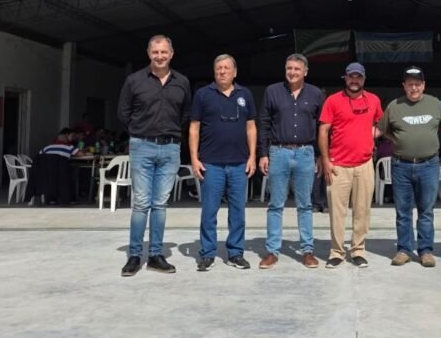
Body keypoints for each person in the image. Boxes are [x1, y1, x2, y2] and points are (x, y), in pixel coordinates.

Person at [118, 35, 191, 277]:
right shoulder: (134, 80)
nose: (160, 56)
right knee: (141, 204)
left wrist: (170, 134)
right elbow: (123, 113)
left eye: (164, 52)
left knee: (160, 204)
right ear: (149, 53)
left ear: (172, 53)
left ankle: (156, 255)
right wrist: (141, 133)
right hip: (142, 146)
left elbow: (185, 114)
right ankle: (135, 255)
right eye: (155, 52)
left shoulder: (182, 82)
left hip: (170, 148)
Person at [190, 54, 257, 272]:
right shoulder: (203, 95)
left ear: (234, 72)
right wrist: (194, 158)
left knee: (237, 211)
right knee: (209, 211)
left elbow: (251, 128)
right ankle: (207, 253)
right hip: (211, 163)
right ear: (214, 71)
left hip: (239, 163)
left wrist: (252, 156)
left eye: (227, 68)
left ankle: (236, 252)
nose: (222, 71)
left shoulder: (244, 94)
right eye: (219, 68)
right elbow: (194, 128)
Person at [257, 53, 324, 270]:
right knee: (275, 204)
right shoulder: (272, 91)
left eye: (297, 69)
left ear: (305, 71)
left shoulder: (315, 94)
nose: (292, 72)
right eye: (289, 68)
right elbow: (264, 123)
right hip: (278, 152)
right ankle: (272, 251)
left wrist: (322, 155)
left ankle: (307, 251)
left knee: (305, 205)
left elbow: (323, 127)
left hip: (305, 153)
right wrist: (263, 153)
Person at [378, 66, 441, 268]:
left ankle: (425, 251)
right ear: (404, 86)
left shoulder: (435, 104)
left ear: (423, 85)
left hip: (429, 165)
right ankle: (404, 250)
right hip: (401, 165)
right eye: (410, 84)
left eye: (417, 84)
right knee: (403, 211)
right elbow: (383, 130)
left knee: (426, 210)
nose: (414, 88)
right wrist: (398, 139)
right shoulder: (394, 106)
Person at [318, 62, 383, 268]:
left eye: (359, 77)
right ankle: (336, 252)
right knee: (337, 212)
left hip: (364, 165)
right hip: (338, 166)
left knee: (362, 210)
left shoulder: (373, 100)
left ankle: (358, 250)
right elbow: (323, 131)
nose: (355, 80)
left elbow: (380, 124)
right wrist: (326, 160)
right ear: (345, 78)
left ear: (364, 79)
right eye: (351, 77)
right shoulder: (333, 101)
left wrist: (370, 137)